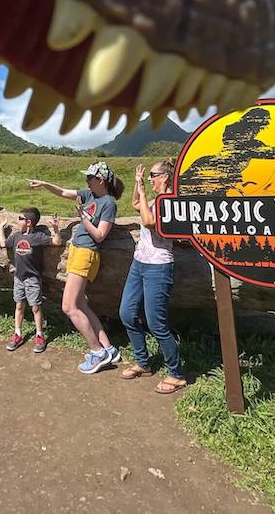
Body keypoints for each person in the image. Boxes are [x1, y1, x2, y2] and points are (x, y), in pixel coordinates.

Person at [28, 161, 125, 374]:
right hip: (77, 251)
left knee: (69, 307)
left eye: (89, 178)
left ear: (100, 180)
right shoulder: (90, 195)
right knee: (81, 304)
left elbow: (100, 235)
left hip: (86, 254)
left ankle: (97, 352)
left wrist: (83, 218)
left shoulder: (108, 203)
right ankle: (109, 349)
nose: (86, 181)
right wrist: (44, 184)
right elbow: (63, 192)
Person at [118, 159, 187, 393]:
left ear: (165, 177)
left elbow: (148, 222)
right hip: (139, 263)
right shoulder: (156, 201)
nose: (150, 179)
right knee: (126, 313)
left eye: (153, 175)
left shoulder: (170, 202)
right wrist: (138, 184)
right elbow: (136, 203)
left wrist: (146, 192)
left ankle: (176, 373)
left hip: (158, 267)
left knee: (156, 324)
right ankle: (143, 363)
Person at [0, 208, 61, 353]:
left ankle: (39, 335)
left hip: (32, 279)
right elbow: (3, 244)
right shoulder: (15, 237)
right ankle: (17, 334)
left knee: (36, 307)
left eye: (20, 218)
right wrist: (1, 228)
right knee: (19, 306)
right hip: (19, 278)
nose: (17, 220)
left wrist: (56, 228)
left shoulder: (37, 237)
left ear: (28, 222)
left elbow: (57, 242)